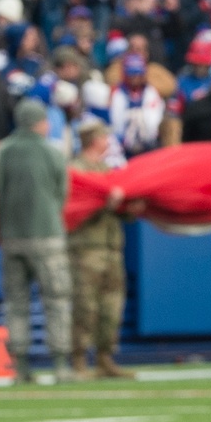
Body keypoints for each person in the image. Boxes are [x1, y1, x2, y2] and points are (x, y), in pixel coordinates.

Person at [0, 98, 75, 384]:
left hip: (11, 238)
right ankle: (60, 364)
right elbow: (61, 196)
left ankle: (20, 366)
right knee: (56, 300)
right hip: (47, 237)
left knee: (16, 303)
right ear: (39, 122)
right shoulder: (53, 153)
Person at [67, 119, 134, 379]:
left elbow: (120, 210)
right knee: (85, 305)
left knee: (111, 306)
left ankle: (105, 357)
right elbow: (76, 210)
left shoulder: (107, 170)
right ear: (94, 139)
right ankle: (80, 359)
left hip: (111, 246)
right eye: (104, 138)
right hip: (86, 248)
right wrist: (106, 203)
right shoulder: (76, 170)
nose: (108, 142)